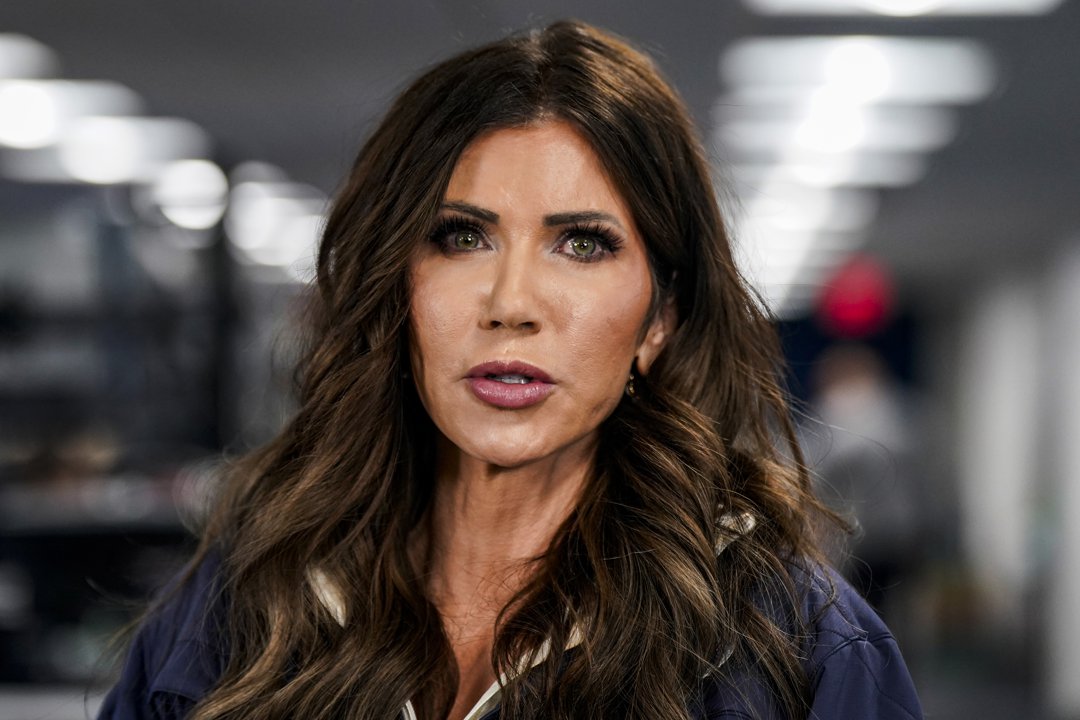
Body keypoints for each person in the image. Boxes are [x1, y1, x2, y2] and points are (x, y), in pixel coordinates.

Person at [98, 20, 923, 720]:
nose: (511, 301)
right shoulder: (249, 598)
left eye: (582, 244)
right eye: (462, 236)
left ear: (659, 319)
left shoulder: (794, 648)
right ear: (399, 285)